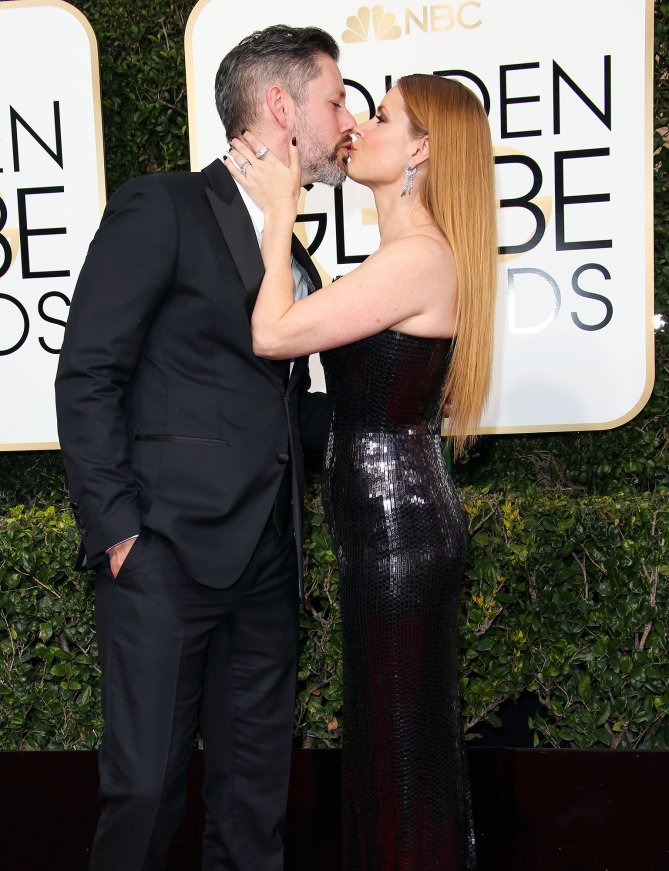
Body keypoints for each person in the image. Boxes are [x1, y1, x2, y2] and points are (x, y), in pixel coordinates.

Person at [55, 25, 354, 871]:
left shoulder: (290, 247)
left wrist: (394, 423)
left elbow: (275, 412)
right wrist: (119, 534)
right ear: (278, 106)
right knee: (146, 795)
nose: (347, 121)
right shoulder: (164, 206)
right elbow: (87, 373)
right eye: (334, 99)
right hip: (163, 558)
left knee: (254, 806)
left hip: (266, 565)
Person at [225, 73, 497, 869]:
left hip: (396, 536)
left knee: (400, 756)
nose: (358, 128)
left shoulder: (415, 259)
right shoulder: (406, 256)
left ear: (419, 150)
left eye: (380, 117)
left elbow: (272, 335)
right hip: (389, 531)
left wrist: (280, 213)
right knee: (395, 748)